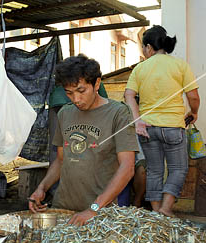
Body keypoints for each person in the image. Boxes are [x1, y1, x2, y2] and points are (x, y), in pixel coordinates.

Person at [29, 54, 139, 226]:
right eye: (69, 93)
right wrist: (42, 188)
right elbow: (60, 159)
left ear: (96, 84)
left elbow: (127, 168)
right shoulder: (65, 113)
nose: (76, 99)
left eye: (81, 91)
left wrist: (94, 209)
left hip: (100, 213)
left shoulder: (119, 113)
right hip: (63, 208)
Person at [124, 25, 200, 217]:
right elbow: (194, 96)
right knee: (178, 169)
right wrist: (194, 112)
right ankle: (166, 208)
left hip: (148, 128)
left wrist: (138, 120)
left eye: (143, 47)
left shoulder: (140, 68)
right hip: (173, 127)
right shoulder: (180, 65)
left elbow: (129, 95)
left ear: (149, 47)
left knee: (154, 170)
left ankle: (157, 212)